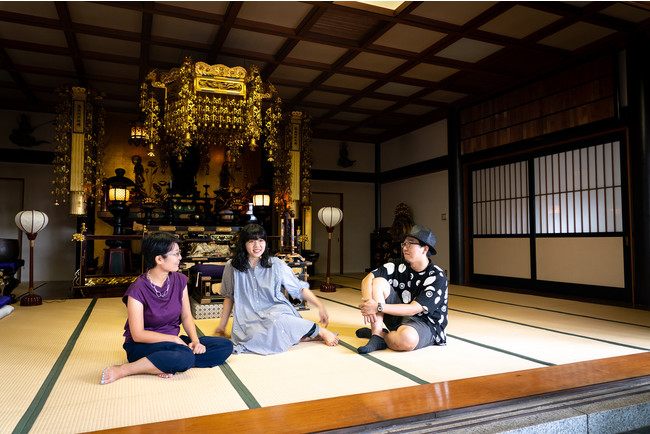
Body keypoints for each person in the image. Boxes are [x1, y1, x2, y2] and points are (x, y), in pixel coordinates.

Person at [100, 232, 233, 385]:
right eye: (176, 254)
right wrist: (174, 339)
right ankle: (125, 369)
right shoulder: (137, 289)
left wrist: (195, 341)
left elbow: (186, 316)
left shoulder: (179, 280)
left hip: (172, 345)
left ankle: (164, 364)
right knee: (185, 355)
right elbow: (138, 335)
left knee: (224, 346)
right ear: (159, 259)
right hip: (143, 346)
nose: (180, 258)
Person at [214, 223, 339, 354]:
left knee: (277, 321)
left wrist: (320, 306)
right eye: (252, 241)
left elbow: (299, 288)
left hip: (277, 311)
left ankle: (320, 331)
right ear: (244, 244)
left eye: (261, 241)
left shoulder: (276, 264)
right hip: (249, 317)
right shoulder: (232, 266)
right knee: (247, 336)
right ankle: (300, 336)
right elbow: (229, 296)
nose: (257, 246)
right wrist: (222, 326)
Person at [356, 224, 448, 354]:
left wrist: (377, 307)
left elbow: (413, 309)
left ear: (424, 249)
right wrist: (369, 303)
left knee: (406, 339)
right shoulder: (398, 265)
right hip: (398, 316)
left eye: (410, 244)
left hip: (425, 323)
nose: (405, 248)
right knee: (378, 282)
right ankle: (376, 334)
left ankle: (381, 336)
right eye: (404, 244)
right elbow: (367, 279)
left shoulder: (437, 276)